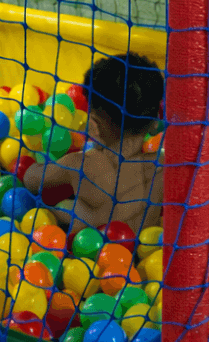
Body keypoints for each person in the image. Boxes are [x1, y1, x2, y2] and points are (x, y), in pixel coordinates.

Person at [22, 52, 164, 235]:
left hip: (89, 258)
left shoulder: (83, 164)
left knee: (69, 210)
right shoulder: (162, 166)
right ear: (154, 122)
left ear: (94, 122)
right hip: (143, 255)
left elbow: (31, 179)